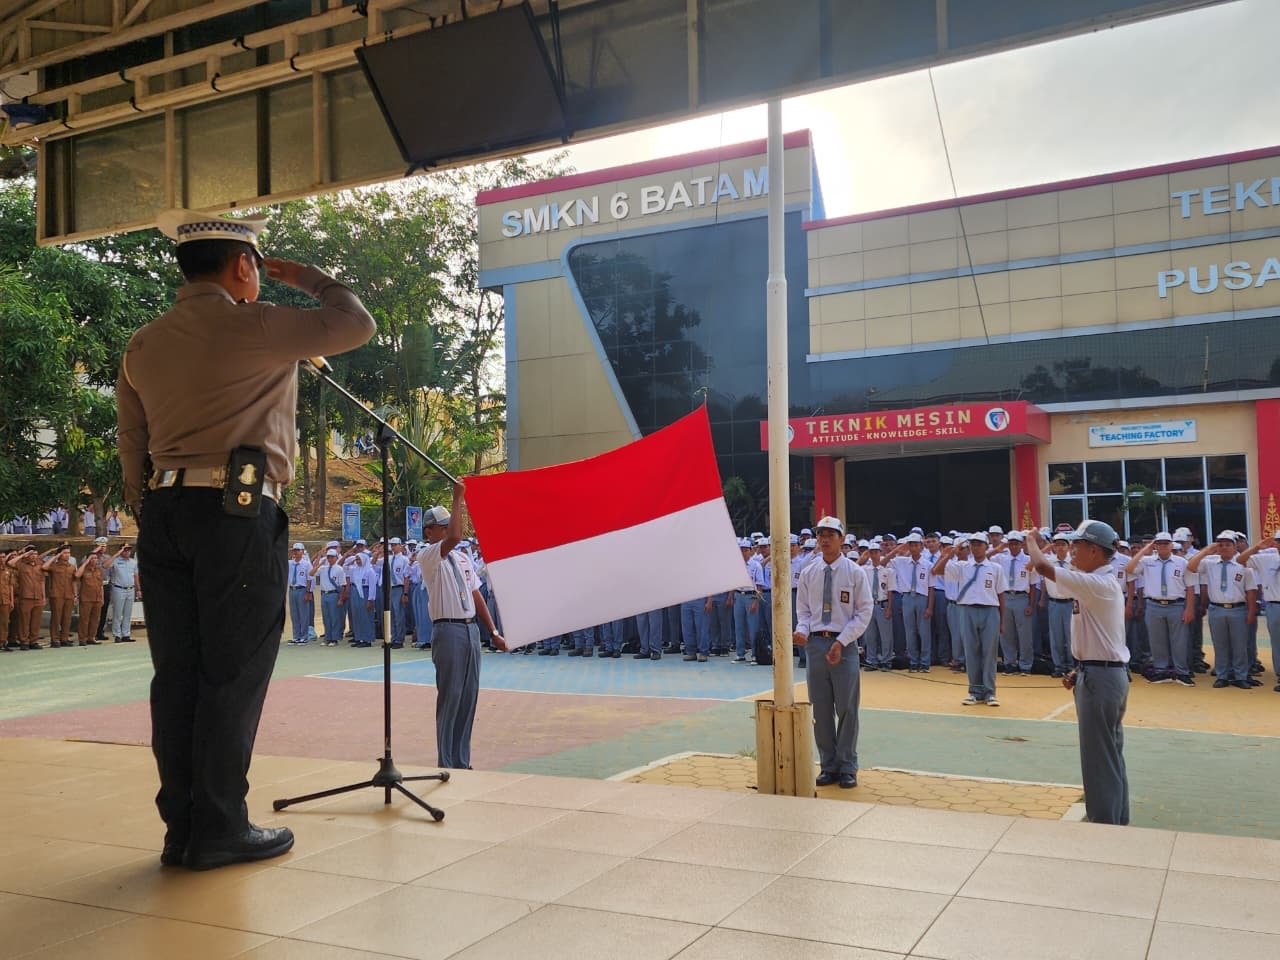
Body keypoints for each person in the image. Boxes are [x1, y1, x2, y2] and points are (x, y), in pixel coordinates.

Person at [115, 207, 375, 870]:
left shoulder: (144, 342)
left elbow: (132, 438)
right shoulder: (257, 324)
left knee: (177, 678)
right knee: (230, 675)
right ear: (243, 265)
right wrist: (308, 276)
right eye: (258, 265)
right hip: (235, 511)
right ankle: (222, 827)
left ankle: (186, 829)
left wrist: (146, 509)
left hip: (165, 513)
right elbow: (356, 323)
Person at [1025, 521, 1130, 826]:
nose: (1071, 551)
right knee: (1109, 753)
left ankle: (1104, 823)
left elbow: (1043, 567)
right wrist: (1080, 668)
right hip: (1098, 672)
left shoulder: (1099, 583)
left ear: (1095, 550)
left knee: (1099, 758)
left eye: (1078, 546)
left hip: (1102, 678)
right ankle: (1116, 819)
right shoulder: (1094, 580)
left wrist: (1032, 540)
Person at [416, 485, 506, 769]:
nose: (447, 530)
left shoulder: (463, 558)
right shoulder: (429, 555)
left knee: (469, 696)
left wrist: (492, 631)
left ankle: (461, 760)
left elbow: (476, 594)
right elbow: (455, 536)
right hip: (448, 631)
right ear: (430, 531)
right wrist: (458, 499)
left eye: (447, 525)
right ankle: (446, 761)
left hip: (470, 630)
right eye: (441, 526)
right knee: (451, 696)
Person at [793, 516, 872, 789]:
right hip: (816, 646)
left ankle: (848, 765)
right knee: (821, 708)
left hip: (845, 646)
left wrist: (842, 640)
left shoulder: (854, 572)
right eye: (821, 534)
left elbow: (864, 611)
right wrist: (802, 630)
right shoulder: (809, 572)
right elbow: (803, 610)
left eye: (831, 534)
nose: (825, 539)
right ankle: (829, 765)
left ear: (842, 538)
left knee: (848, 707)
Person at [1186, 531, 1258, 689]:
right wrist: (1206, 550)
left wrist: (1251, 612)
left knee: (1240, 645)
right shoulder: (1210, 562)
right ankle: (1222, 675)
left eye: (1228, 544)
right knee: (1220, 644)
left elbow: (1251, 591)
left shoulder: (1244, 564)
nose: (1224, 548)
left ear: (1235, 546)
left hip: (1238, 608)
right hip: (1216, 609)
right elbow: (1191, 567)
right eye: (1221, 544)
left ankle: (1240, 676)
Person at [1124, 532, 1195, 685]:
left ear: (1171, 545)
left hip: (1176, 604)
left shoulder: (1181, 562)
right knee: (1156, 640)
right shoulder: (1147, 561)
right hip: (1154, 604)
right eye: (1160, 543)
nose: (1163, 546)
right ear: (1155, 545)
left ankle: (1182, 671)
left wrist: (1189, 608)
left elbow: (1190, 587)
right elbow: (1129, 569)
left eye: (1166, 543)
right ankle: (1161, 670)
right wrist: (1146, 549)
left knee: (1179, 640)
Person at [1238, 532, 1280, 692]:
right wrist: (1256, 547)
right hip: (1274, 605)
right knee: (1277, 643)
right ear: (1275, 543)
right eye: (1279, 542)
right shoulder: (1266, 558)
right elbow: (1240, 560)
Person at [103, 544, 141, 642]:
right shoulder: (115, 561)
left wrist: (138, 589)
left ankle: (126, 634)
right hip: (118, 588)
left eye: (129, 550)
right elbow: (105, 565)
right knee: (117, 613)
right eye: (125, 550)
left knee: (127, 613)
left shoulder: (133, 562)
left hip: (130, 589)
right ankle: (117, 635)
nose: (127, 552)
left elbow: (136, 576)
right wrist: (117, 554)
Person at [42, 545, 78, 648]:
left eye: (69, 553)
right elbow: (44, 567)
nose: (67, 555)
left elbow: (74, 582)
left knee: (67, 618)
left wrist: (75, 595)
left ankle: (64, 638)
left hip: (69, 595)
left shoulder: (71, 567)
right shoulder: (54, 565)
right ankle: (55, 639)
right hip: (57, 594)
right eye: (65, 553)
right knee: (56, 618)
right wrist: (55, 556)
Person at [74, 547, 106, 646]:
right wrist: (86, 561)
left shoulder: (99, 570)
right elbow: (77, 575)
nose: (94, 560)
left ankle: (91, 637)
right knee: (84, 619)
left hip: (97, 598)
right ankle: (82, 639)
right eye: (92, 558)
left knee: (95, 619)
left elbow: (101, 585)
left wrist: (102, 598)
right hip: (86, 598)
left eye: (96, 558)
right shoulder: (83, 569)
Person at [286, 543, 312, 644]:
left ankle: (304, 636)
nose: (296, 552)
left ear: (302, 551)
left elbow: (309, 579)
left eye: (298, 550)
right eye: (294, 550)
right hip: (292, 589)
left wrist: (308, 592)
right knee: (294, 614)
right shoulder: (290, 563)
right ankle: (296, 636)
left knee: (303, 614)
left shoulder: (306, 564)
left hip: (302, 589)